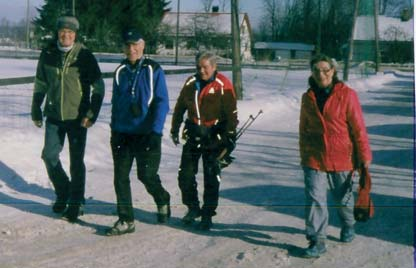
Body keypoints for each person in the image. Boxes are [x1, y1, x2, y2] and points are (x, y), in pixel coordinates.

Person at [31, 15, 105, 222]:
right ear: (58, 32)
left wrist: (92, 113)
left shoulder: (85, 56)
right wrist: (36, 107)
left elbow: (98, 86)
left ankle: (76, 201)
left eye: (70, 32)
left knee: (76, 161)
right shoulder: (48, 54)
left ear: (75, 35)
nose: (66, 35)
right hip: (54, 116)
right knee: (49, 155)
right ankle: (64, 192)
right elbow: (40, 83)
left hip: (77, 118)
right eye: (63, 31)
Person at [299, 54, 372, 258]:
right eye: (316, 70)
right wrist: (304, 156)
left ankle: (349, 224)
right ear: (312, 73)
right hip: (314, 157)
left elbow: (358, 128)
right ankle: (317, 240)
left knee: (343, 201)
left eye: (325, 70)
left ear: (333, 71)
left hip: (342, 157)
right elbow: (303, 129)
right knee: (315, 199)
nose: (321, 74)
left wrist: (364, 155)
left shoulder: (347, 95)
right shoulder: (308, 97)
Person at [105, 28, 171, 236]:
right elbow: (116, 102)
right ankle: (126, 220)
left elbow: (162, 102)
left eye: (135, 45)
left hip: (147, 133)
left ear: (143, 46)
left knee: (146, 175)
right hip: (123, 133)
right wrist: (114, 128)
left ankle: (162, 199)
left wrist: (156, 131)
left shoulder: (153, 69)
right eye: (127, 45)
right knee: (120, 177)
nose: (131, 49)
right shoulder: (120, 71)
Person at [170, 52, 238, 231]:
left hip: (214, 136)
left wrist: (229, 137)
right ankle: (193, 208)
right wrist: (174, 128)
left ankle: (207, 215)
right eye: (198, 67)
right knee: (185, 175)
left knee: (211, 177)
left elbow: (232, 114)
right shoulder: (191, 83)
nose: (201, 71)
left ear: (214, 67)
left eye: (205, 67)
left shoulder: (224, 85)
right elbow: (179, 107)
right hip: (193, 133)